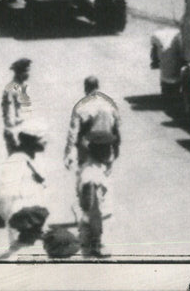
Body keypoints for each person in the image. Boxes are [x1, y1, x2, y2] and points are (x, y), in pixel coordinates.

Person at [64, 76, 120, 256]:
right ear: (98, 87)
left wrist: (68, 154)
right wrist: (115, 151)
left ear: (86, 88)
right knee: (103, 185)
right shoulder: (110, 105)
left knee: (86, 183)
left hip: (87, 151)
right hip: (106, 151)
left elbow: (73, 133)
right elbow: (117, 130)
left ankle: (89, 223)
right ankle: (96, 222)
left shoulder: (81, 107)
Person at [1, 58, 32, 154]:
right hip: (15, 132)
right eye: (26, 71)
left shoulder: (23, 87)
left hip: (24, 129)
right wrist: (14, 133)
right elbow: (9, 113)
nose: (28, 74)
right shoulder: (12, 89)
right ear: (19, 72)